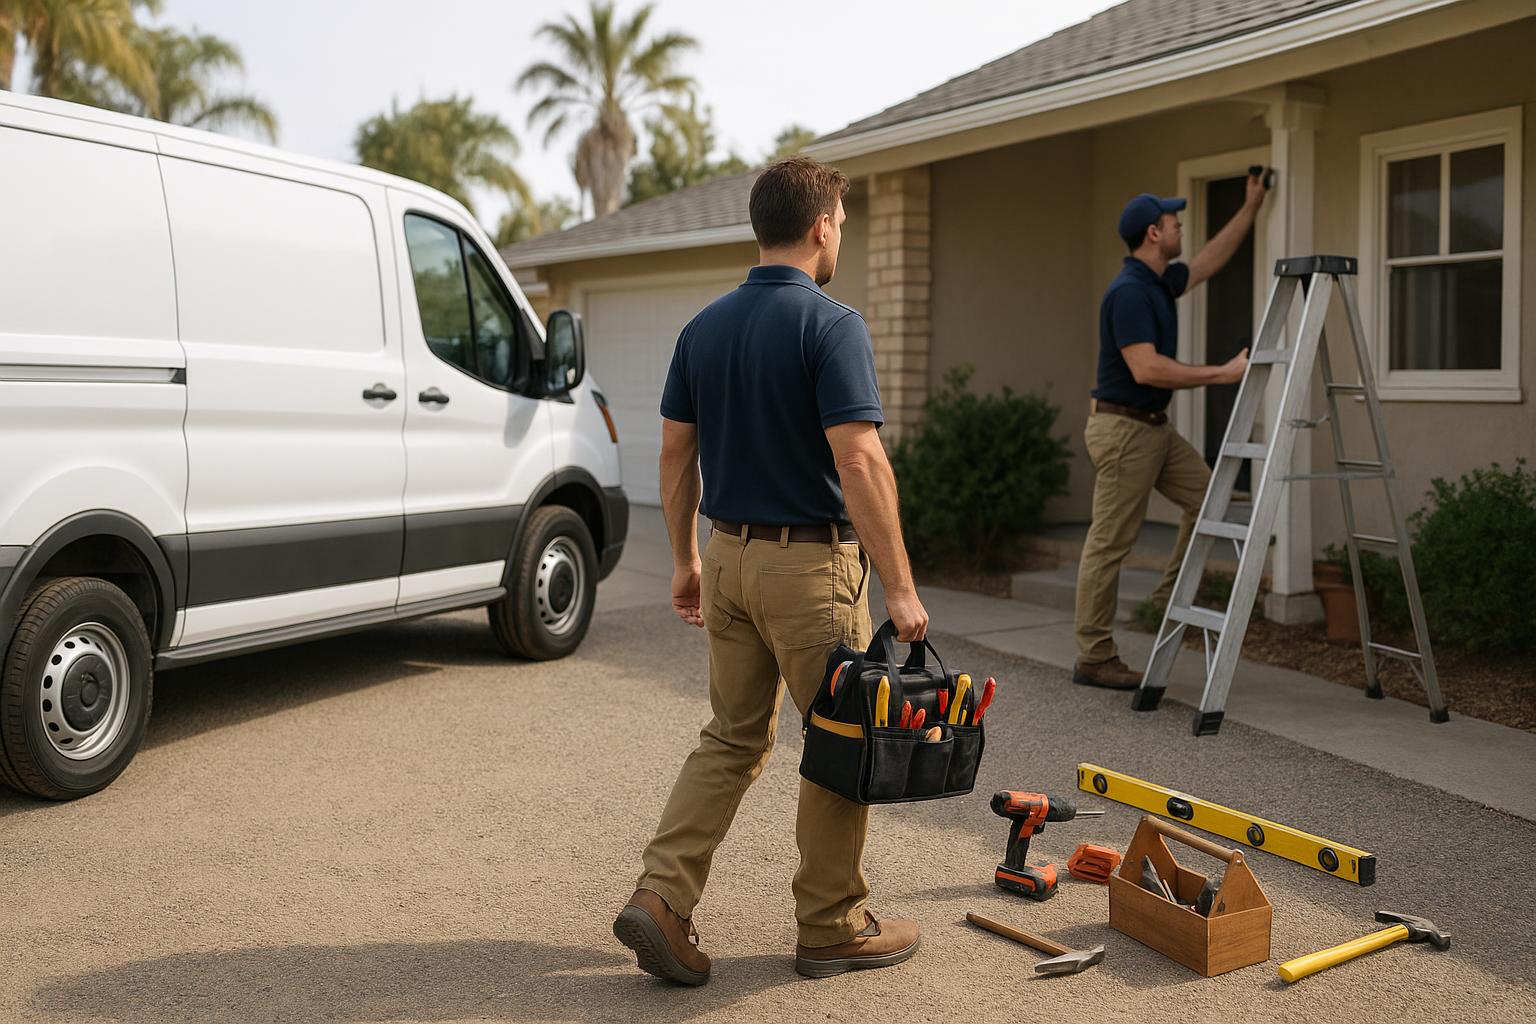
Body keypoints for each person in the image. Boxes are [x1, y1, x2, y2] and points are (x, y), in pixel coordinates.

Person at [613, 157, 930, 984]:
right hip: (810, 573)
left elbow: (676, 452)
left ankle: (661, 897)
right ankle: (830, 927)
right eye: (842, 226)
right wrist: (899, 586)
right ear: (822, 224)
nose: (841, 239)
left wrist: (685, 559)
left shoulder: (703, 328)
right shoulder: (831, 324)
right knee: (839, 738)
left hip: (727, 557)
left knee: (730, 737)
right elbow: (859, 461)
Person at [1071, 172, 1268, 689]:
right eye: (1173, 220)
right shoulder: (1129, 293)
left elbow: (1209, 261)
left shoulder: (1160, 281)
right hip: (1124, 430)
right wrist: (1221, 374)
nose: (1181, 225)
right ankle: (1094, 655)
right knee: (1109, 543)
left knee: (1210, 498)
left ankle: (1164, 600)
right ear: (1154, 234)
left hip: (1153, 428)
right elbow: (1147, 369)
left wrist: (1250, 207)